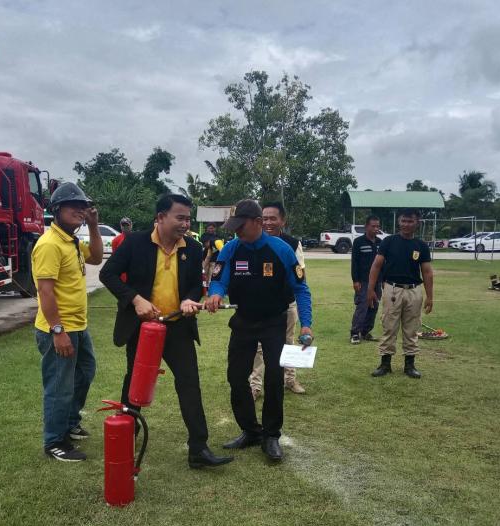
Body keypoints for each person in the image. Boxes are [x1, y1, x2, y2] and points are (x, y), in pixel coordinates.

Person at [99, 193, 233, 470]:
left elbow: (195, 284)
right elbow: (107, 274)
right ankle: (125, 437)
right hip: (143, 329)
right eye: (180, 218)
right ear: (160, 217)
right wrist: (135, 299)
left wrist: (189, 299)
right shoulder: (134, 242)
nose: (185, 224)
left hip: (178, 327)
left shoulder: (193, 248)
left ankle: (198, 448)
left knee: (189, 384)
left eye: (188, 219)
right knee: (135, 384)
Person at [205, 199, 313, 462]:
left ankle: (271, 435)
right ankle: (251, 431)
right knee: (236, 377)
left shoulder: (281, 250)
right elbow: (218, 280)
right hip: (243, 321)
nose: (236, 231)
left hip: (274, 322)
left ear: (257, 223)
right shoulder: (230, 249)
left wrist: (306, 324)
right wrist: (216, 294)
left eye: (241, 226)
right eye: (234, 227)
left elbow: (301, 288)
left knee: (274, 378)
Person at [32, 182, 103, 462]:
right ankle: (54, 442)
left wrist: (94, 226)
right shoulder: (50, 244)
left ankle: (69, 422)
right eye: (74, 206)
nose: (80, 210)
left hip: (78, 326)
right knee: (59, 386)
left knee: (85, 371)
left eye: (83, 206)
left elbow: (96, 257)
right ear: (57, 209)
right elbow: (45, 291)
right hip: (59, 328)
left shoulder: (71, 241)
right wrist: (58, 330)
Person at [366, 208, 434, 378]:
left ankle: (409, 365)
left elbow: (427, 272)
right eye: (403, 220)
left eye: (410, 221)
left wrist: (430, 296)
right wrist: (370, 290)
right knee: (389, 327)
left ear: (417, 223)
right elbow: (376, 266)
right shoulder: (388, 242)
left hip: (414, 291)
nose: (406, 224)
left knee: (411, 329)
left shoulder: (421, 246)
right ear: (399, 222)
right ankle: (385, 364)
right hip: (392, 289)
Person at [248, 202, 306, 397]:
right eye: (264, 218)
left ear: (283, 221)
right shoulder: (253, 241)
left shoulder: (293, 244)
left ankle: (290, 379)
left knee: (288, 342)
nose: (268, 223)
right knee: (257, 347)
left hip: (287, 303)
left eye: (273, 218)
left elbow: (300, 277)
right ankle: (255, 386)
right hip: (259, 307)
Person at [350, 215, 383, 345]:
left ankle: (365, 332)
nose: (376, 229)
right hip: (363, 281)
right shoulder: (358, 242)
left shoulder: (380, 243)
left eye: (378, 226)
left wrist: (383, 280)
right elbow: (355, 263)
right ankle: (355, 333)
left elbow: (383, 264)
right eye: (373, 226)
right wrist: (355, 280)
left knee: (374, 306)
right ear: (366, 226)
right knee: (362, 307)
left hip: (377, 282)